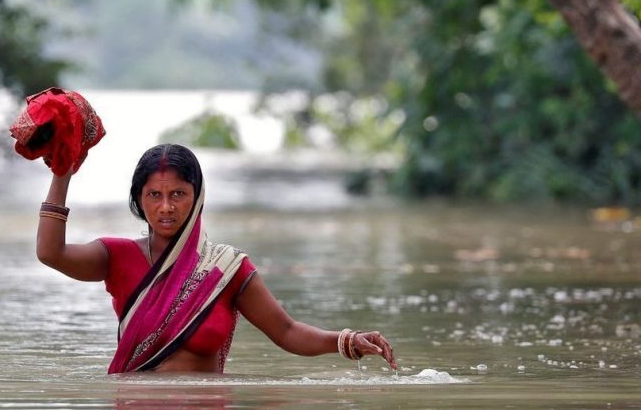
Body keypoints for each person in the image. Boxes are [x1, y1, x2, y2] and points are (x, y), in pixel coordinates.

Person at [36, 143, 397, 374]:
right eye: (154, 195)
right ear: (138, 200)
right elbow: (51, 253)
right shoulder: (116, 256)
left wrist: (347, 340)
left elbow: (287, 332)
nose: (166, 207)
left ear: (198, 196)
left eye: (178, 193)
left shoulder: (227, 268)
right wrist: (61, 174)